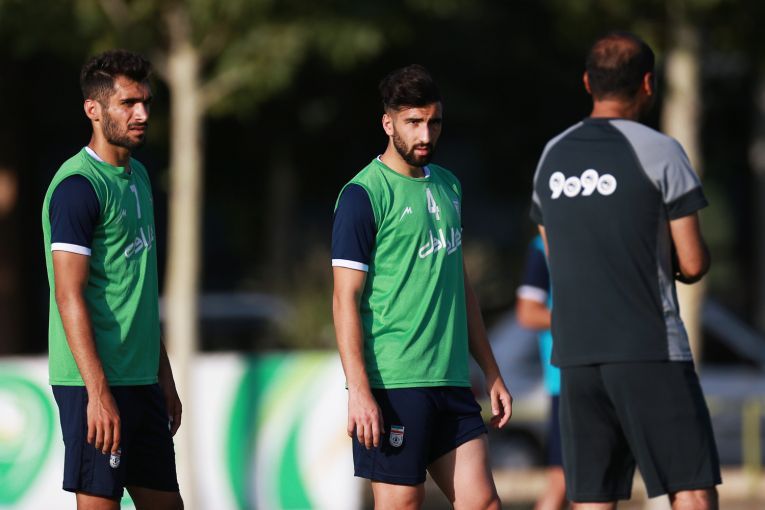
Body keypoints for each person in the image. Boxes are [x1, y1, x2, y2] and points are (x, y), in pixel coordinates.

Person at [530, 31, 721, 509]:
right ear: (648, 84)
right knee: (691, 488)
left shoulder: (552, 155)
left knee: (593, 497)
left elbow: (555, 254)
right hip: (648, 348)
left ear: (587, 82)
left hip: (575, 357)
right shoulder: (660, 150)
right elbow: (693, 262)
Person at [331, 64, 513, 510]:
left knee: (484, 503)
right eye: (413, 122)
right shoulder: (363, 195)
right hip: (394, 384)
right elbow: (344, 300)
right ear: (388, 123)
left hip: (451, 380)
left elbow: (459, 285)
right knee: (402, 504)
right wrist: (359, 391)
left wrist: (491, 370)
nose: (425, 134)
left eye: (434, 122)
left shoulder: (449, 185)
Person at [42, 50, 183, 510]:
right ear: (94, 109)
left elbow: (134, 289)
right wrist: (98, 392)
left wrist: (162, 374)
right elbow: (69, 295)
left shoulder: (138, 175)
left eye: (145, 102)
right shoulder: (77, 187)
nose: (141, 114)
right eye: (128, 103)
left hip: (141, 378)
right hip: (94, 382)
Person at [515, 235, 567, 510]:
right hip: (567, 381)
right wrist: (587, 321)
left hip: (607, 374)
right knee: (562, 482)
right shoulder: (542, 246)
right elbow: (527, 313)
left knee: (594, 485)